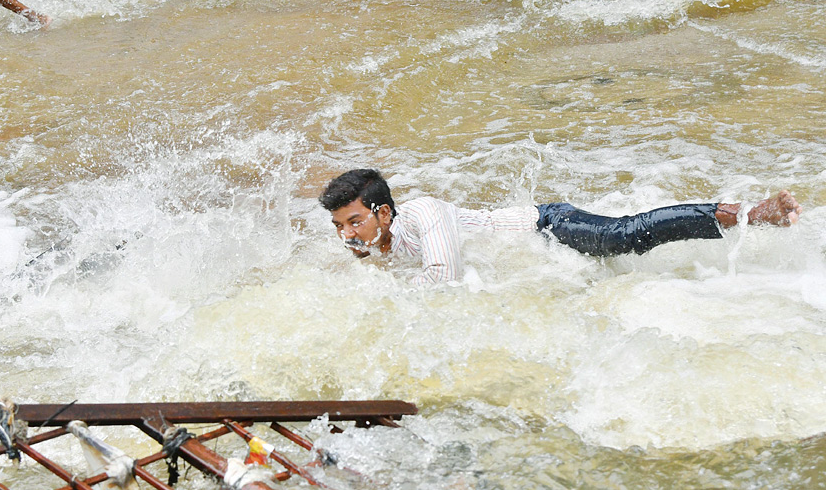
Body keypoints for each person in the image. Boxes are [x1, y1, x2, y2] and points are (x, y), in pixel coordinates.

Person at [319, 169, 802, 285]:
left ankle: (745, 213)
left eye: (354, 221)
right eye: (341, 226)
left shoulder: (424, 212)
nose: (347, 234)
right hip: (534, 259)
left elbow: (443, 276)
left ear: (383, 212)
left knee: (624, 236)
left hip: (548, 227)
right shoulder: (366, 245)